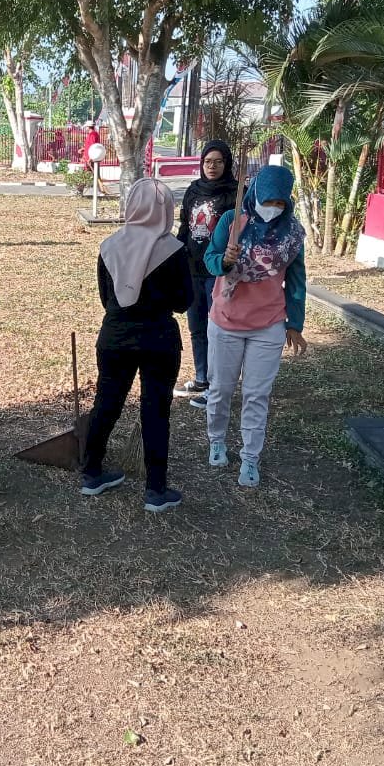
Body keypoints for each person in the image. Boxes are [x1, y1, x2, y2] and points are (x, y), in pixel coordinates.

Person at [79, 178, 193, 512]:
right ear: (165, 209)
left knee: (106, 403)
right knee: (156, 410)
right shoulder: (173, 249)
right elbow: (184, 301)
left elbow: (107, 299)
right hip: (159, 339)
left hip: (114, 337)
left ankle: (91, 473)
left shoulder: (108, 246)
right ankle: (156, 490)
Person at [203, 165, 308, 488]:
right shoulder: (232, 221)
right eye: (268, 199)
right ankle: (217, 439)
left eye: (279, 202)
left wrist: (295, 323)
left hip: (269, 324)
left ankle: (250, 458)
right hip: (227, 320)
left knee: (257, 394)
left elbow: (296, 280)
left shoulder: (291, 233)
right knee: (221, 388)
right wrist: (226, 261)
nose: (272, 207)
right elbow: (210, 259)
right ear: (256, 194)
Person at [175, 140, 239, 407]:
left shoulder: (236, 193)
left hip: (218, 272)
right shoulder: (193, 190)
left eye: (218, 162)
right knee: (197, 327)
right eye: (207, 162)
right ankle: (202, 378)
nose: (212, 167)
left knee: (217, 329)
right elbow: (184, 227)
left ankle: (216, 387)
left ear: (227, 164)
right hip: (192, 268)